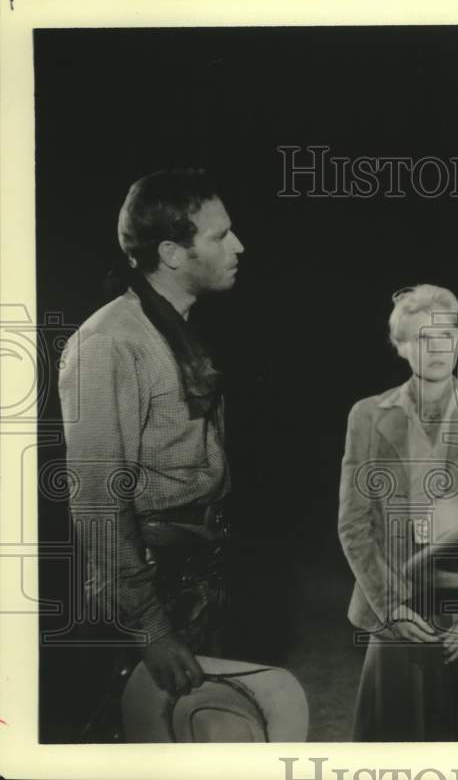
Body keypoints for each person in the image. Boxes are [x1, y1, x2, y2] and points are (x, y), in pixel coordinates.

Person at [58, 168, 244, 736]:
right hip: (152, 585)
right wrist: (150, 630)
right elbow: (95, 499)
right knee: (134, 741)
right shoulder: (111, 342)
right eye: (219, 236)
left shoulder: (174, 329)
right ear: (170, 252)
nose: (238, 246)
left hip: (193, 573)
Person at [338, 284, 458, 741]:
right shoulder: (367, 414)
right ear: (400, 347)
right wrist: (391, 608)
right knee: (399, 745)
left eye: (445, 335)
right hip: (397, 606)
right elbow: (354, 523)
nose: (435, 349)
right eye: (421, 338)